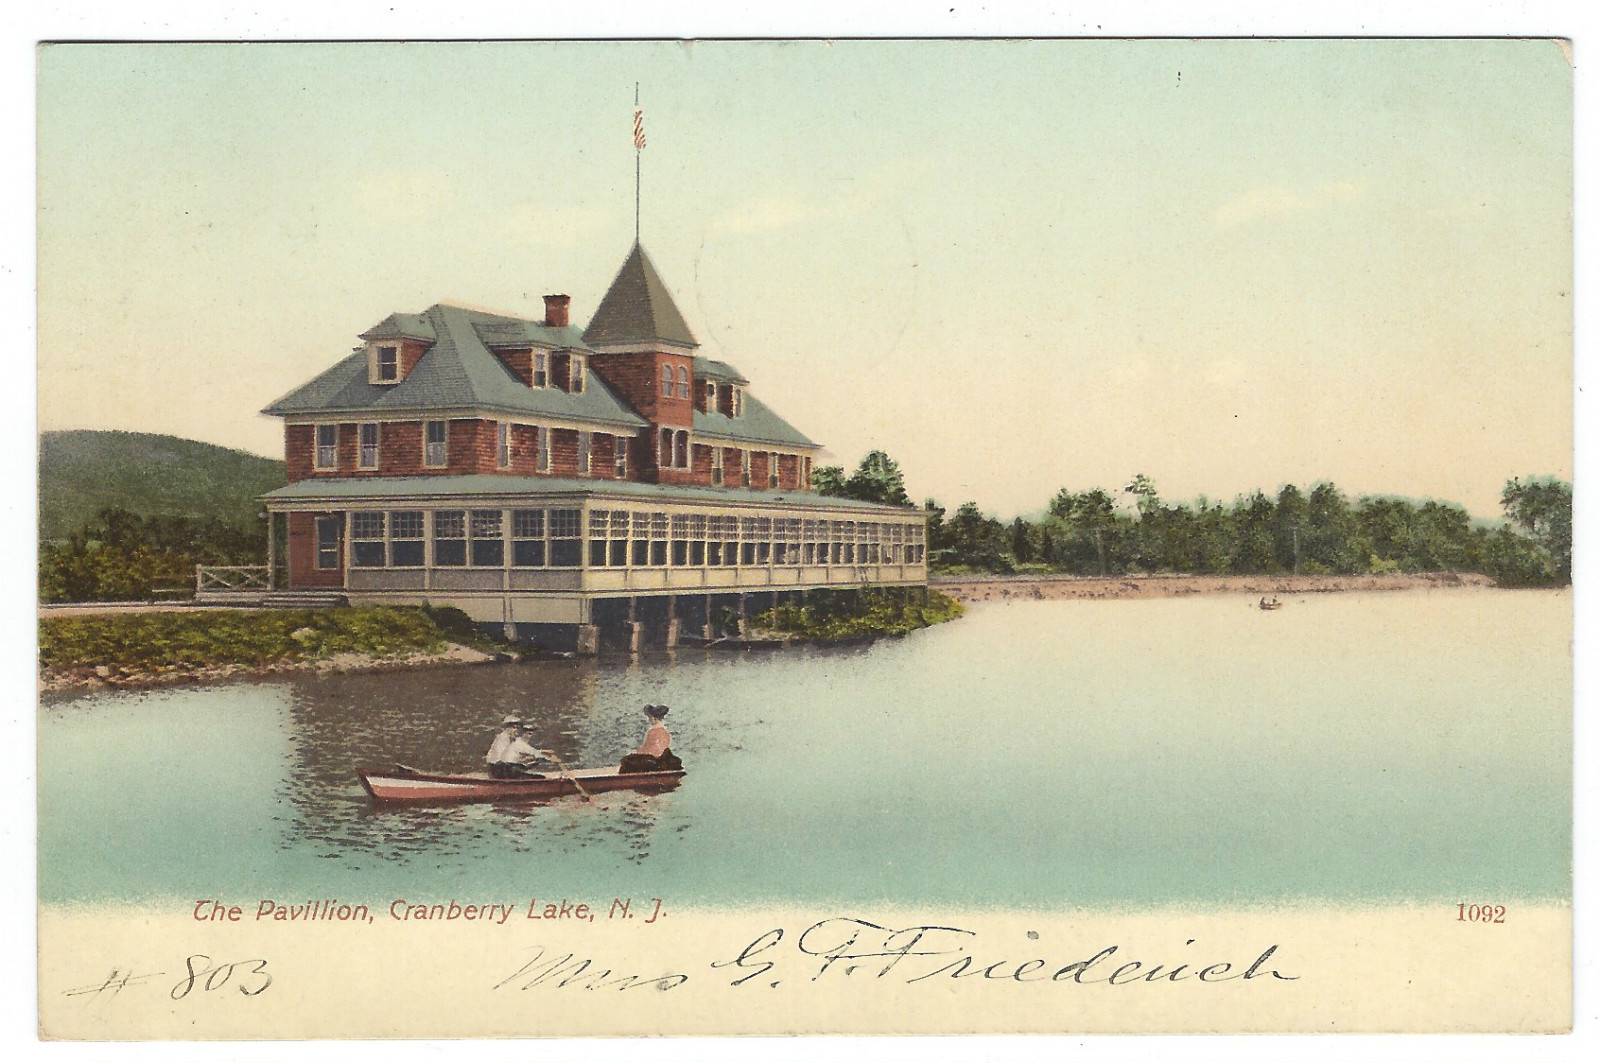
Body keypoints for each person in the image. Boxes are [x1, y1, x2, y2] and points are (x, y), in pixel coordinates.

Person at [619, 704, 683, 774]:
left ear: (655, 718)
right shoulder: (665, 732)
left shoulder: (652, 731)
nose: (649, 720)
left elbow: (649, 749)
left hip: (654, 760)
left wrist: (635, 752)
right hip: (661, 759)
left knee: (627, 760)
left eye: (650, 717)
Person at [485, 715, 552, 778]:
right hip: (496, 769)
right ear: (507, 727)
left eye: (517, 728)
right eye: (514, 727)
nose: (516, 730)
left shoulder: (510, 739)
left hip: (502, 767)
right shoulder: (502, 739)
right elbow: (502, 758)